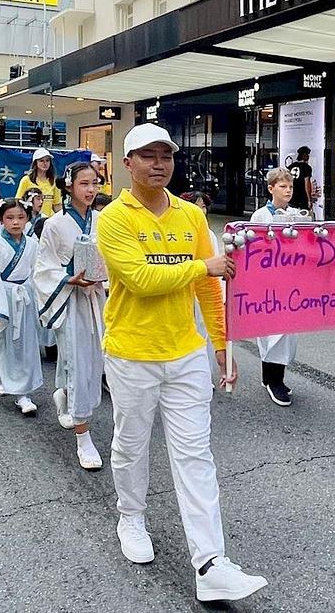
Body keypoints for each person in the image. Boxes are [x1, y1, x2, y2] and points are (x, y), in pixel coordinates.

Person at [97, 123, 267, 602]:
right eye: (147, 156)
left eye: (165, 156)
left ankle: (211, 563)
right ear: (127, 164)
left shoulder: (191, 215)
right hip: (132, 353)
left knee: (195, 454)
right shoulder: (114, 218)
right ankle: (131, 517)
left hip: (186, 354)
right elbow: (140, 278)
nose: (158, 164)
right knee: (131, 444)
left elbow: (208, 289)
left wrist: (221, 343)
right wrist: (202, 265)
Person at [34, 161, 107, 470]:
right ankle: (83, 435)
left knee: (93, 359)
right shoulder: (54, 224)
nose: (90, 190)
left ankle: (64, 391)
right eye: (84, 184)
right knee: (77, 360)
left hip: (98, 298)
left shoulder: (104, 220)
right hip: (67, 298)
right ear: (68, 186)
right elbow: (43, 267)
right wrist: (67, 278)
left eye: (95, 184)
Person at [0, 199, 44, 415]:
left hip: (25, 296)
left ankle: (23, 391)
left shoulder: (32, 244)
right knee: (3, 340)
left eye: (21, 217)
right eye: (10, 218)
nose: (16, 222)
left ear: (28, 219)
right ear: (1, 220)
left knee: (25, 343)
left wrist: (41, 301)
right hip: (2, 295)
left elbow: (37, 273)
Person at [250, 168, 300, 407]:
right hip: (268, 280)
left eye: (290, 186)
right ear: (271, 189)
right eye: (282, 186)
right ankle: (273, 380)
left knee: (287, 331)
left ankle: (272, 376)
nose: (288, 190)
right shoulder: (260, 216)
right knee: (272, 332)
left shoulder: (297, 215)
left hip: (290, 280)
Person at [180, 190, 222, 388]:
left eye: (204, 206)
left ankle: (203, 375)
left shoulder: (210, 234)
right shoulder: (180, 232)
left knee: (204, 333)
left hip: (204, 289)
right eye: (197, 205)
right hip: (184, 289)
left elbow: (216, 262)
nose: (201, 210)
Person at [17, 148, 63, 217]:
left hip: (49, 221)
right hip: (31, 220)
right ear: (35, 163)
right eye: (41, 161)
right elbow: (18, 201)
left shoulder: (54, 182)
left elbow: (57, 205)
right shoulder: (26, 180)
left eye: (47, 160)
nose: (45, 163)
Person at [287, 146, 314, 213]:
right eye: (307, 155)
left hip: (291, 196)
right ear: (304, 155)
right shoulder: (306, 167)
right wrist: (309, 199)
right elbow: (307, 183)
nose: (308, 156)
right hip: (302, 196)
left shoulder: (291, 166)